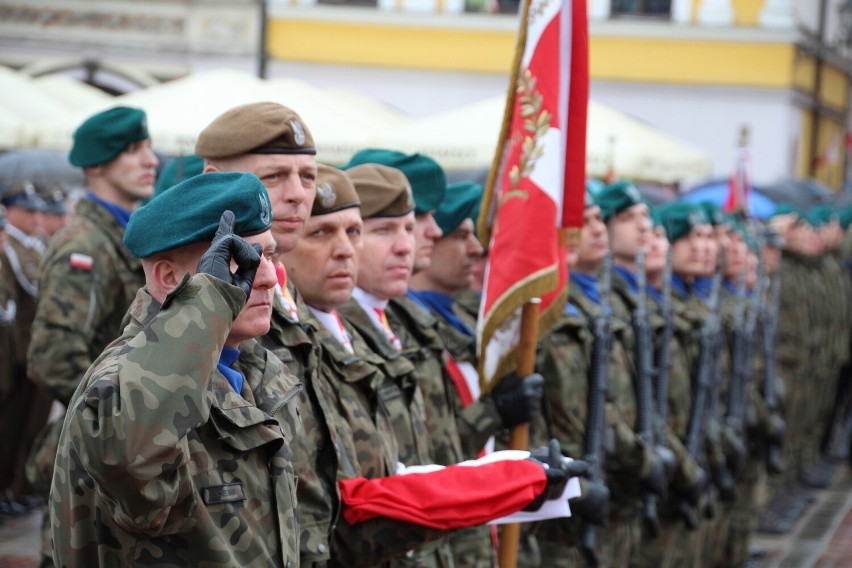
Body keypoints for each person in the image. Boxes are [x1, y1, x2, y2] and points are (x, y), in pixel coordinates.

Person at [50, 171, 304, 566]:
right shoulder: (121, 382)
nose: (269, 277)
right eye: (238, 260)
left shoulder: (249, 366)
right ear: (168, 277)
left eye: (268, 255)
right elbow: (136, 464)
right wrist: (205, 303)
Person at [27, 106, 158, 567]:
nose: (151, 159)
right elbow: (53, 357)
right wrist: (129, 415)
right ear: (97, 165)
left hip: (118, 454)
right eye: (133, 150)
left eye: (147, 147)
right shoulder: (86, 245)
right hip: (92, 457)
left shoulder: (124, 235)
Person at [0, 180, 48, 516]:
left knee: (24, 425)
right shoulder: (13, 253)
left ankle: (13, 487)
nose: (36, 216)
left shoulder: (31, 248)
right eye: (27, 209)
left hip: (22, 353)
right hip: (15, 353)